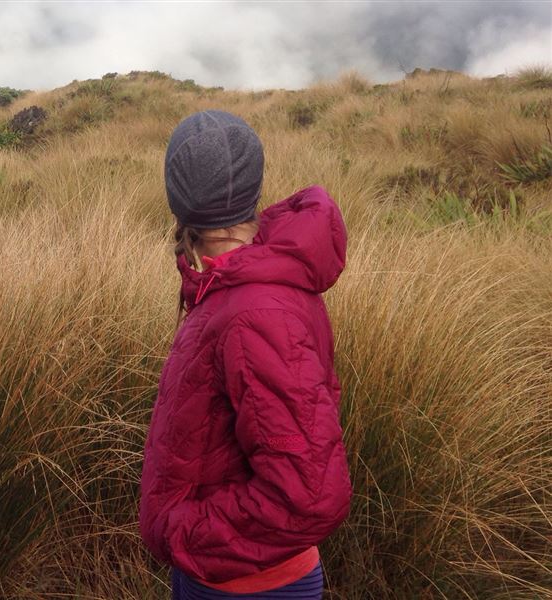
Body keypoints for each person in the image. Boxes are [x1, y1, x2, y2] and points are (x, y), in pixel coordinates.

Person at [139, 110, 353, 599]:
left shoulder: (253, 311)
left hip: (251, 585)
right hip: (225, 575)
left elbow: (308, 495)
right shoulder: (235, 283)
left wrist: (184, 530)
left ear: (180, 202)